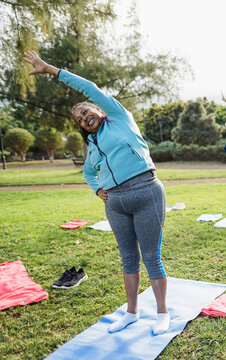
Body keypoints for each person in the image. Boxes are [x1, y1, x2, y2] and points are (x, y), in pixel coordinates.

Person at [23, 50, 170, 335]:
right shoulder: (93, 145)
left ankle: (162, 313)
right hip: (115, 203)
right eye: (79, 118)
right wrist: (97, 189)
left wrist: (50, 70)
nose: (83, 117)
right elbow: (89, 172)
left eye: (85, 111)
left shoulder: (119, 118)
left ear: (100, 110)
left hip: (146, 193)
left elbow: (88, 88)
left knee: (151, 257)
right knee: (128, 258)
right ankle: (131, 312)